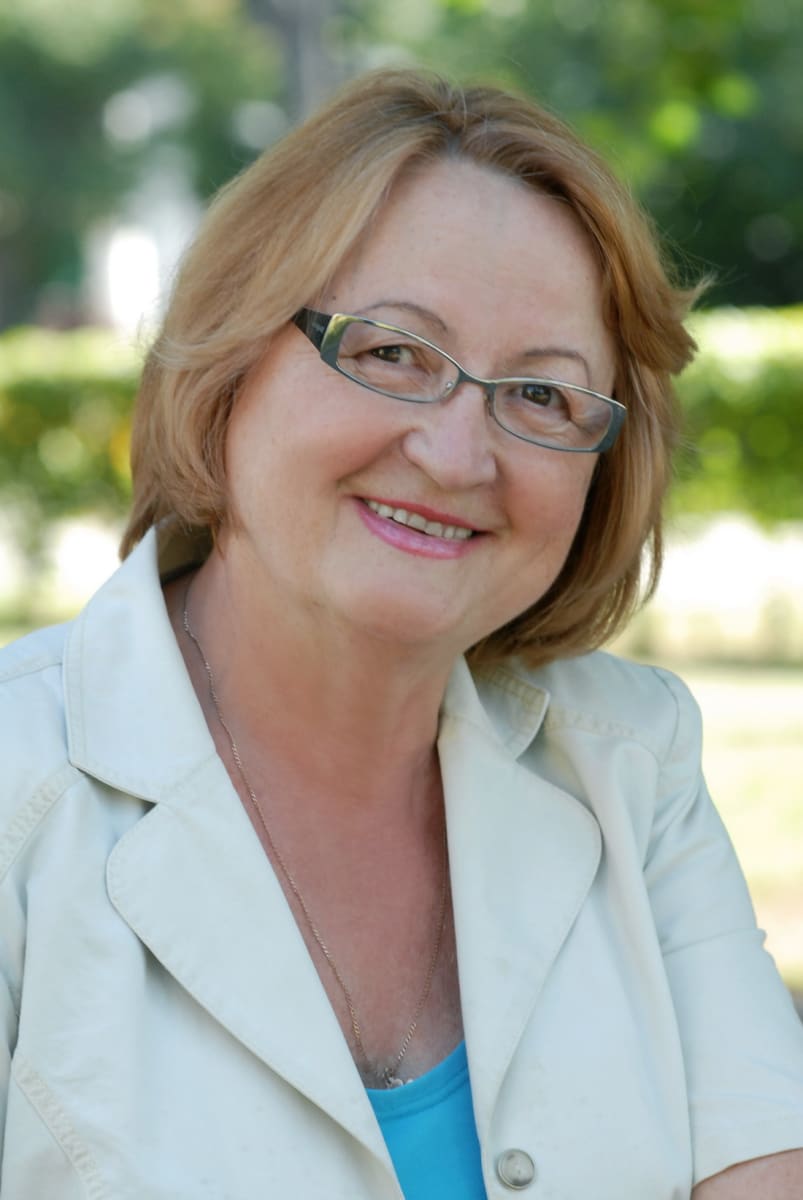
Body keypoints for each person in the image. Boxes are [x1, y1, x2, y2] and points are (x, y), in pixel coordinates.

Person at [1, 68, 802, 1200]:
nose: (457, 454)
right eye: (390, 352)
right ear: (229, 358)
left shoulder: (631, 763)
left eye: (541, 396)